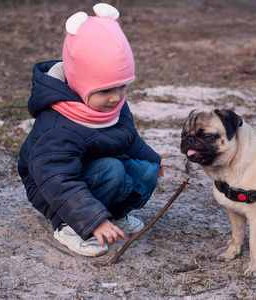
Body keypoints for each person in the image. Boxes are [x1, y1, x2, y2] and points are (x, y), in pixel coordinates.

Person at [18, 3, 169, 257]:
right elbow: (56, 178)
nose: (115, 97)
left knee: (145, 171)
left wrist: (153, 159)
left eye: (121, 86)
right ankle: (72, 227)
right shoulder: (59, 123)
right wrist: (92, 219)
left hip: (96, 170)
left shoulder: (112, 104)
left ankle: (113, 216)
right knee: (112, 170)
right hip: (53, 188)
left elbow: (128, 137)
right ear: (80, 83)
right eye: (105, 90)